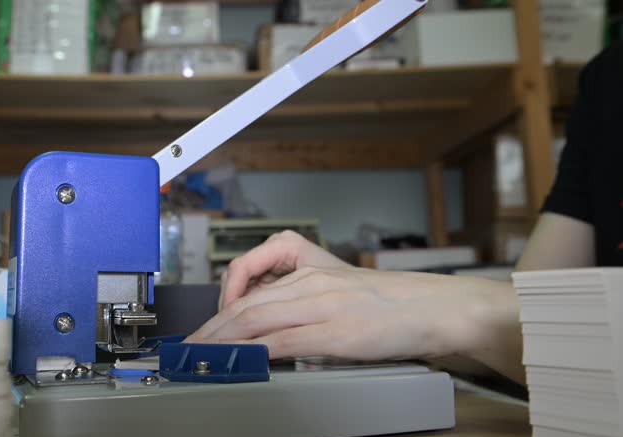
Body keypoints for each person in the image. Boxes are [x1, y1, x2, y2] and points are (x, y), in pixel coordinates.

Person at [185, 42, 623, 386]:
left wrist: (455, 310)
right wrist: (357, 294)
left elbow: (505, 319)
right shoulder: (607, 80)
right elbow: (533, 334)